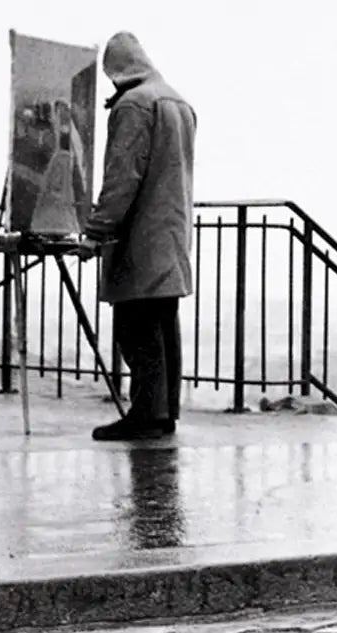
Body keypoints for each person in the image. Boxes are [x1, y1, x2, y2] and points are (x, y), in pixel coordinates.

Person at [78, 32, 197, 441]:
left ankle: (145, 413)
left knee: (135, 327)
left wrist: (96, 231)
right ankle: (164, 412)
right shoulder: (177, 101)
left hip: (141, 237)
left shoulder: (134, 105)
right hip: (172, 235)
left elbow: (121, 176)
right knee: (163, 327)